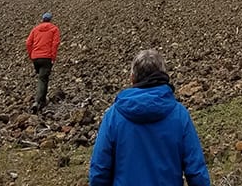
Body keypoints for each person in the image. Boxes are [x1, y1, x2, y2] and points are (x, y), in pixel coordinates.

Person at [89, 49, 210, 186]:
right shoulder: (179, 115)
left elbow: (99, 170)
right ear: (164, 76)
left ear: (132, 78)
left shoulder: (113, 116)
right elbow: (196, 171)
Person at [24, 12, 60, 113]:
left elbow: (28, 43)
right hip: (46, 57)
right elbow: (55, 44)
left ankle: (42, 100)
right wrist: (53, 57)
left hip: (36, 57)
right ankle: (38, 101)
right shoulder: (54, 29)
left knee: (42, 77)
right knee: (43, 79)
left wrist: (31, 55)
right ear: (50, 19)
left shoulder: (35, 29)